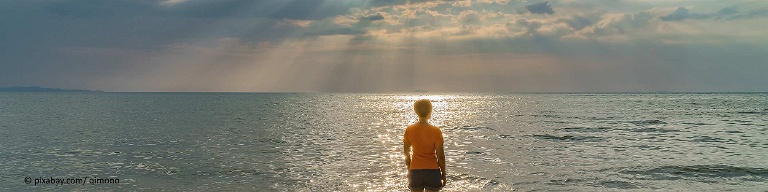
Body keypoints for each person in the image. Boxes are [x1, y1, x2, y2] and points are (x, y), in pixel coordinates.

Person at [403, 99, 446, 192]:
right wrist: (443, 174)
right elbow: (441, 156)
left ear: (416, 111)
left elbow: (406, 154)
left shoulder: (409, 130)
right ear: (430, 111)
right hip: (432, 171)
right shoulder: (436, 131)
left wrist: (410, 169)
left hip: (415, 171)